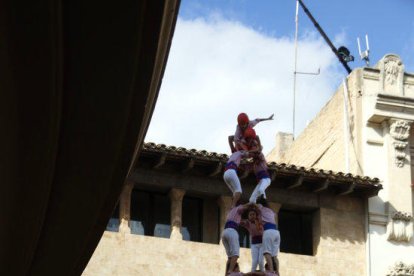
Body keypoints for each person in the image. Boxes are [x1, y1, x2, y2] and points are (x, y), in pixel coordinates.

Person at [222, 202, 252, 275]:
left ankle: (227, 272)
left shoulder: (232, 212)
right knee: (235, 255)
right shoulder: (238, 208)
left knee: (230, 257)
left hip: (224, 232)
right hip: (232, 231)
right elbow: (245, 207)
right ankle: (230, 272)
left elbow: (240, 222)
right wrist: (252, 204)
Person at [256, 196, 280, 275]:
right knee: (274, 255)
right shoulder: (270, 210)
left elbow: (254, 205)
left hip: (268, 231)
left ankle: (272, 272)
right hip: (276, 232)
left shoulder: (260, 208)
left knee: (267, 253)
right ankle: (277, 272)